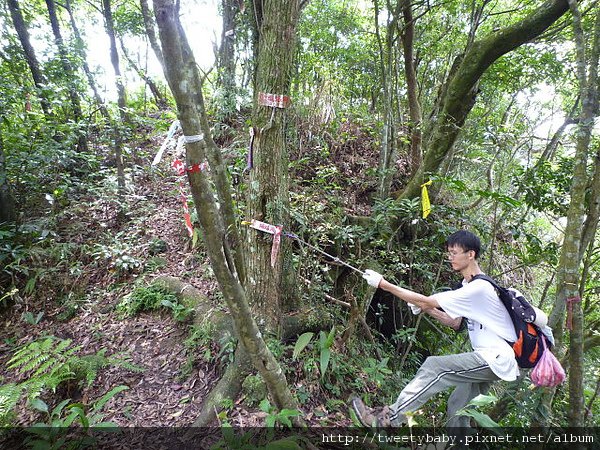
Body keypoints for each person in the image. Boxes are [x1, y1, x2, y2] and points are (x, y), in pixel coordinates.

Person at [351, 230, 519, 430]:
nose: (450, 258)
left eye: (454, 253)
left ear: (471, 254)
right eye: (448, 253)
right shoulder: (467, 285)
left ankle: (388, 419)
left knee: (435, 367)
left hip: (497, 359)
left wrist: (383, 284)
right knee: (458, 407)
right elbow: (454, 322)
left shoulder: (479, 287)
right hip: (490, 357)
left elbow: (427, 300)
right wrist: (428, 309)